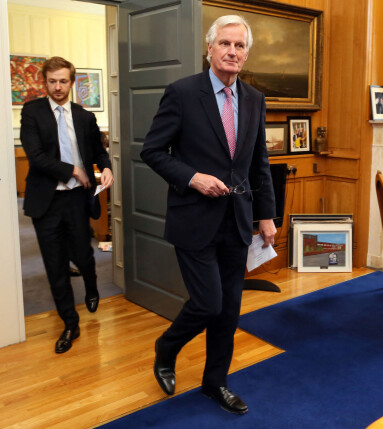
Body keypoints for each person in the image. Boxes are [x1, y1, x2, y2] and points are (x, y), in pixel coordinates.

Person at [140, 15, 276, 415]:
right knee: (208, 303)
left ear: (246, 54)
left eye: (239, 46)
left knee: (229, 311)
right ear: (210, 49)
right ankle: (167, 346)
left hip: (237, 221)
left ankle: (215, 383)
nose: (232, 52)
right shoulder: (182, 93)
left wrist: (266, 215)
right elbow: (151, 151)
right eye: (225, 44)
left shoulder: (254, 99)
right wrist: (193, 177)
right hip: (194, 220)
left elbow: (258, 163)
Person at [20, 56, 114, 354]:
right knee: (55, 263)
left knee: (83, 254)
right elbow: (35, 156)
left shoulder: (83, 116)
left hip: (76, 198)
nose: (57, 87)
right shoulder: (32, 111)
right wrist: (73, 170)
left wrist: (107, 167)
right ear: (44, 82)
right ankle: (70, 323)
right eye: (52, 81)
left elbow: (98, 149)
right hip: (46, 200)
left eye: (63, 81)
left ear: (72, 83)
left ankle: (91, 285)